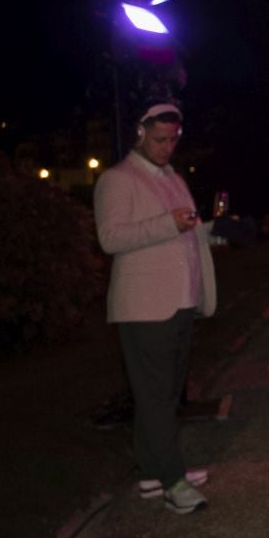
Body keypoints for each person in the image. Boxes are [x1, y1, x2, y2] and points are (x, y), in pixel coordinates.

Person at [94, 102, 216, 513]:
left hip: (180, 301)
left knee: (162, 397)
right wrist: (169, 223)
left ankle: (151, 472)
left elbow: (183, 231)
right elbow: (111, 238)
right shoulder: (117, 179)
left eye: (173, 140)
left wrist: (212, 231)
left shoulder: (174, 178)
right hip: (144, 308)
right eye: (160, 139)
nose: (167, 147)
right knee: (155, 398)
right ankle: (173, 480)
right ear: (140, 132)